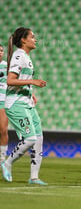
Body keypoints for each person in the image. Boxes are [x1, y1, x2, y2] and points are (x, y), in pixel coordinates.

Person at [1, 27, 47, 185]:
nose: (35, 39)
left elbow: (21, 80)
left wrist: (31, 92)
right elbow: (10, 80)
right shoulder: (18, 56)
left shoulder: (26, 57)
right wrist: (32, 81)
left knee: (39, 138)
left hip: (27, 103)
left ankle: (34, 177)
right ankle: (7, 163)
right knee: (30, 138)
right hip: (16, 103)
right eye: (32, 37)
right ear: (23, 40)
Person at [0, 44, 9, 162]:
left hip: (3, 101)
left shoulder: (7, 67)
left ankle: (2, 158)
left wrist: (31, 94)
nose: (0, 52)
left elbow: (17, 80)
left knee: (3, 130)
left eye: (1, 50)